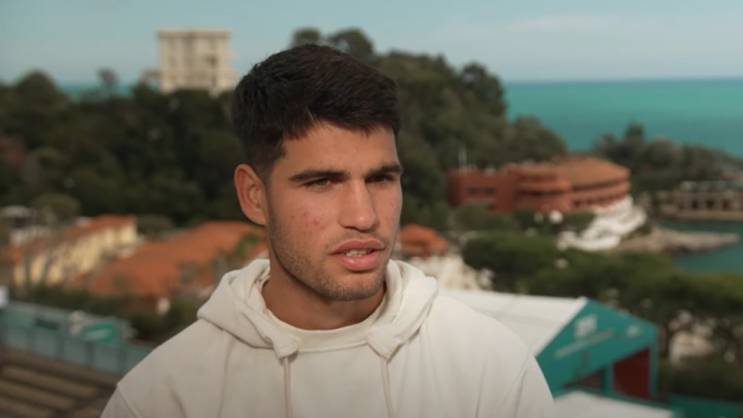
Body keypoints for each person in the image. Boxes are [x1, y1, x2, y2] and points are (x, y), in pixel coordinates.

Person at [102, 44, 552, 418]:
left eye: (381, 179)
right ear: (254, 196)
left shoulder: (490, 367)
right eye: (321, 182)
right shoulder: (161, 399)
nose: (364, 216)